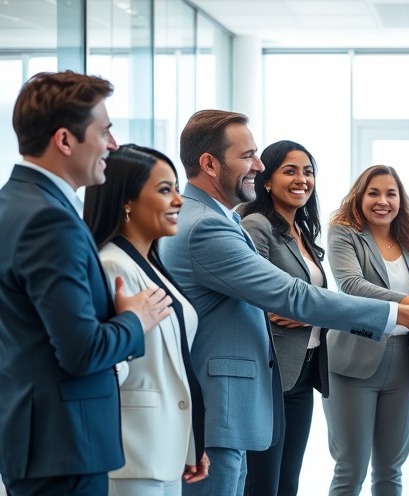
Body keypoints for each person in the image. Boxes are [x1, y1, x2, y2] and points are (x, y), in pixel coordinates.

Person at [158, 110, 409, 496]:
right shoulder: (207, 225)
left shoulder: (220, 218)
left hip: (243, 396)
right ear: (209, 163)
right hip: (221, 402)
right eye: (248, 155)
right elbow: (291, 295)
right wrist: (402, 312)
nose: (258, 164)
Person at [0, 71, 171, 496]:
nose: (112, 145)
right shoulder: (49, 220)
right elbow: (81, 351)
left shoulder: (14, 202)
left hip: (42, 442)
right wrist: (137, 319)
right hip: (65, 447)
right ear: (64, 140)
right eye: (105, 131)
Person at [83, 144, 210, 495]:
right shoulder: (113, 266)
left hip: (164, 447)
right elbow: (103, 363)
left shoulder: (151, 264)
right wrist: (131, 323)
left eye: (177, 190)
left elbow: (174, 363)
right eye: (165, 190)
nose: (179, 201)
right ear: (127, 200)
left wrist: (191, 443)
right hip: (134, 451)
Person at [323, 165, 409, 496]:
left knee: (390, 470)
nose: (382, 201)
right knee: (350, 469)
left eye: (391, 193)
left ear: (401, 200)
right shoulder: (343, 233)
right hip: (351, 362)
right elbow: (352, 286)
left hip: (406, 363)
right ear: (359, 197)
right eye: (374, 192)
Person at [238, 140, 329, 495]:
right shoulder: (257, 225)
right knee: (263, 482)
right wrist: (303, 309)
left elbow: (309, 301)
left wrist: (308, 314)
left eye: (308, 172)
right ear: (267, 180)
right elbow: (250, 292)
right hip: (270, 370)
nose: (302, 179)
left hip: (302, 371)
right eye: (290, 170)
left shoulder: (302, 231)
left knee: (288, 481)